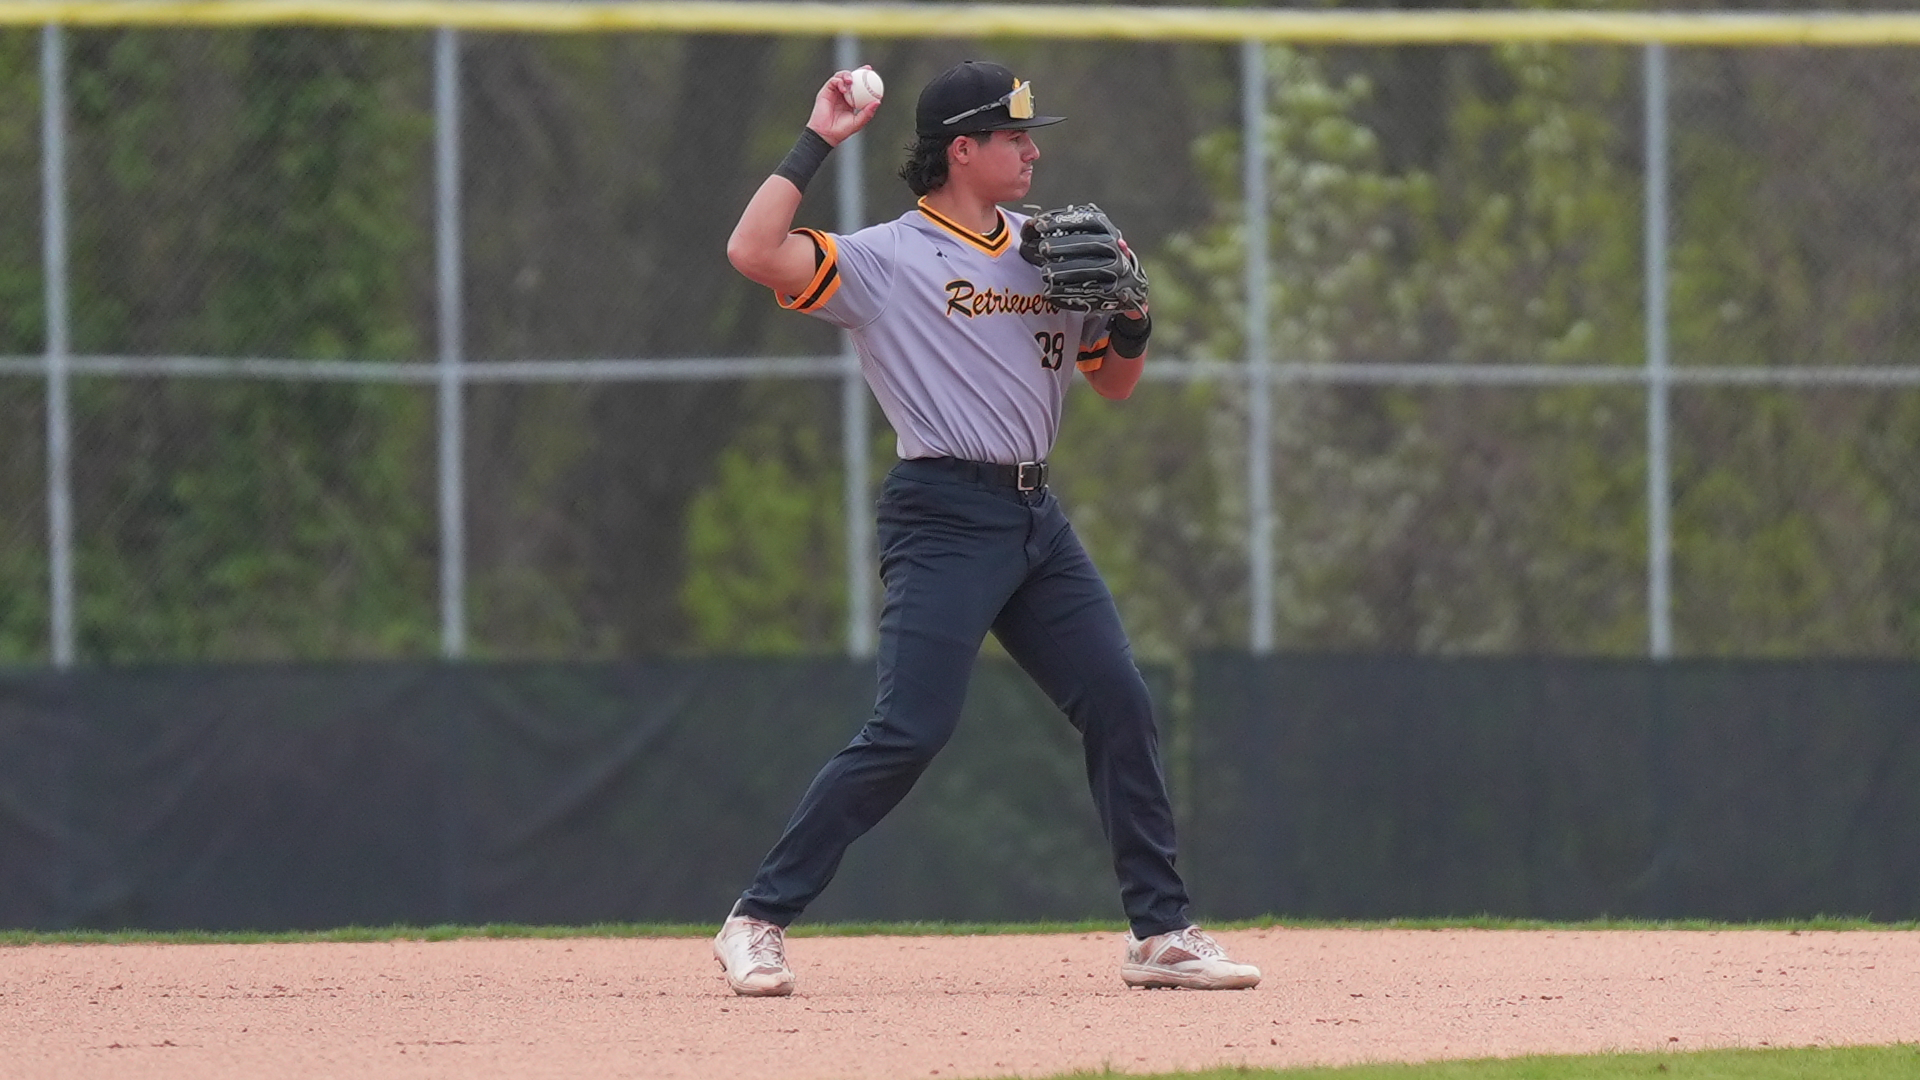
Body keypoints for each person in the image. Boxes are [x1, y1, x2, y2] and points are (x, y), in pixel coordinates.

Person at [714, 59, 1260, 996]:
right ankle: (757, 919)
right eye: (1014, 137)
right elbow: (752, 252)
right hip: (944, 513)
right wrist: (820, 138)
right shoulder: (888, 260)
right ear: (960, 151)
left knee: (1120, 702)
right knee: (912, 728)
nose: (1032, 150)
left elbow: (1112, 385)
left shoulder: (1053, 248)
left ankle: (1160, 933)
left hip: (1033, 516)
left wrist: (1130, 314)